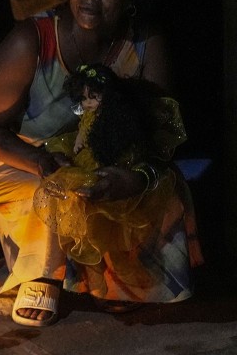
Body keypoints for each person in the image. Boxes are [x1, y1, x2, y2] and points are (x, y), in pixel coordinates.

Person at [0, 0, 200, 326]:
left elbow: (161, 134)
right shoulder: (34, 40)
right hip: (24, 163)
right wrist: (41, 161)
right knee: (51, 195)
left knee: (166, 185)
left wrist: (134, 177)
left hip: (103, 164)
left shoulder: (145, 43)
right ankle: (45, 274)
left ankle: (112, 278)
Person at [33, 63, 187, 269]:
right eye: (84, 98)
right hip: (89, 156)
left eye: (93, 97)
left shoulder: (118, 117)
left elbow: (142, 148)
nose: (87, 103)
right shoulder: (89, 116)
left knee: (116, 215)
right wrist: (78, 143)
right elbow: (82, 132)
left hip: (113, 160)